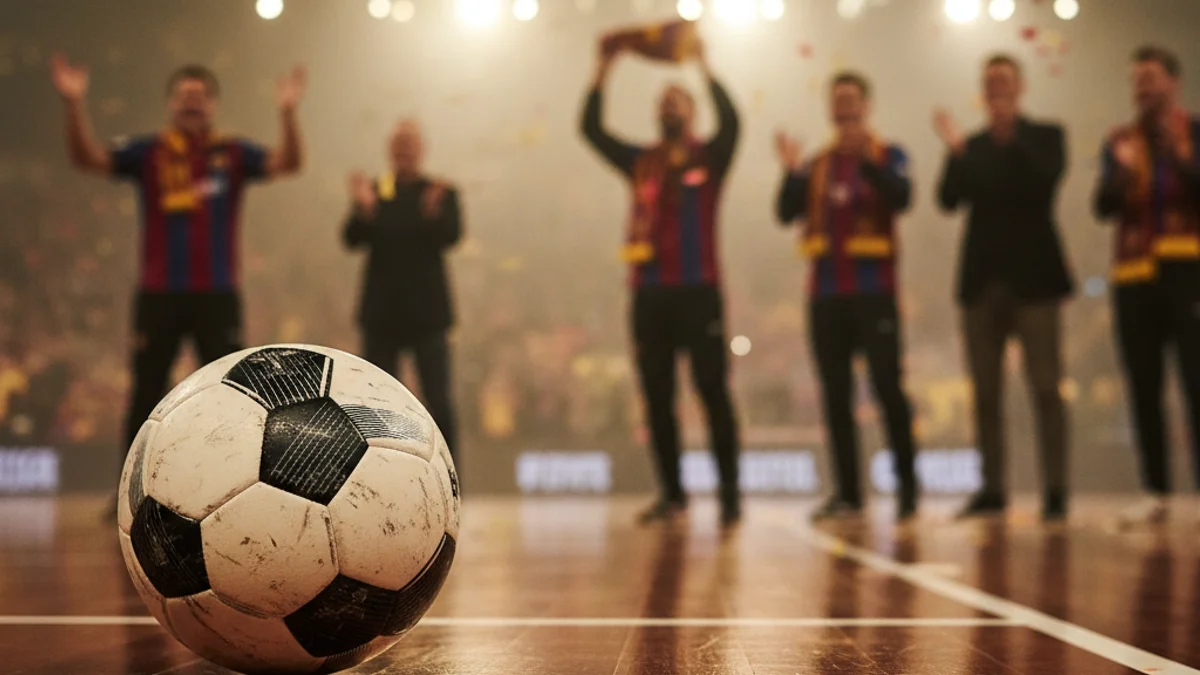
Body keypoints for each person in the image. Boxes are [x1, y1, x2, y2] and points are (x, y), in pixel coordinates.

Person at [50, 54, 305, 515]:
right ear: (170, 103)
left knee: (233, 396)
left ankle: (235, 488)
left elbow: (288, 162)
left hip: (218, 294)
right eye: (185, 97)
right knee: (146, 392)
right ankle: (130, 495)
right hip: (159, 294)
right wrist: (73, 104)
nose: (192, 104)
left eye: (200, 98)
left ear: (213, 106)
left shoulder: (232, 154)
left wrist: (287, 111)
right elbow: (86, 158)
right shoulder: (148, 152)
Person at [580, 35, 741, 526]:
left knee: (712, 391)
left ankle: (731, 496)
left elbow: (734, 121)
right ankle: (673, 494)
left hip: (699, 292)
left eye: (677, 98)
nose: (668, 104)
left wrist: (705, 65)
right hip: (649, 294)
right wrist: (603, 70)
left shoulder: (710, 157)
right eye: (662, 100)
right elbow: (591, 130)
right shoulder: (641, 160)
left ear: (692, 111)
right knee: (656, 395)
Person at [933, 54, 1073, 521]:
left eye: (1004, 81)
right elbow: (948, 200)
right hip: (982, 284)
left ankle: (1055, 489)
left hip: (1036, 282)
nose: (996, 89)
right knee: (985, 393)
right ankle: (992, 488)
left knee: (1046, 387)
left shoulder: (1046, 137)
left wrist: (1007, 140)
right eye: (989, 81)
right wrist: (956, 153)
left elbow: (1043, 182)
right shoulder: (968, 145)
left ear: (1020, 87)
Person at [774, 71, 918, 522]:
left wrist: (868, 163)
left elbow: (903, 197)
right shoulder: (817, 165)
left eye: (853, 99)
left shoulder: (889, 154)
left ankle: (908, 489)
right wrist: (789, 171)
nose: (846, 108)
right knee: (835, 395)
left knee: (888, 389)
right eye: (838, 101)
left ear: (867, 106)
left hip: (874, 292)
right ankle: (849, 493)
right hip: (826, 295)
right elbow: (784, 212)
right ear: (830, 110)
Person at [1093, 46, 1200, 526]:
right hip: (1133, 274)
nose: (1144, 87)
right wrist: (1121, 171)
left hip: (1188, 269)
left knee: (1196, 380)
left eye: (1152, 78)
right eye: (1137, 79)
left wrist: (1179, 156)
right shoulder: (1120, 140)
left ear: (1173, 83)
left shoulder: (1194, 133)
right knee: (1143, 383)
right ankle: (1155, 489)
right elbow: (1102, 207)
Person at [344, 119, 463, 464]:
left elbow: (451, 236)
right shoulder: (376, 190)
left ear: (421, 149)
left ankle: (450, 483)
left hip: (429, 316)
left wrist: (431, 213)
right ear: (389, 151)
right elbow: (351, 238)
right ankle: (377, 478)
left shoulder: (440, 192)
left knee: (439, 403)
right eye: (398, 145)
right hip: (382, 315)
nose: (404, 151)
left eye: (410, 144)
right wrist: (364, 208)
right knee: (376, 407)